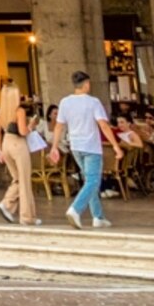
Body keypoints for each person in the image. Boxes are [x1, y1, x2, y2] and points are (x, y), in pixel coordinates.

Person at [55, 71, 114, 229]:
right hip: (91, 146)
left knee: (90, 181)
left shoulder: (65, 102)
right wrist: (115, 145)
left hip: (75, 146)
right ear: (86, 84)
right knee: (93, 181)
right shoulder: (93, 102)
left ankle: (98, 216)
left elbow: (59, 126)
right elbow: (103, 125)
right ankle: (76, 209)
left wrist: (54, 146)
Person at [0, 79, 39, 227]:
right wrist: (31, 125)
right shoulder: (19, 111)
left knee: (17, 178)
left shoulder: (1, 111)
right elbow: (23, 131)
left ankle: (8, 204)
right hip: (18, 144)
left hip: (6, 142)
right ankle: (26, 216)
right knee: (24, 181)